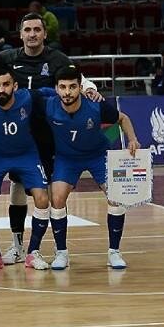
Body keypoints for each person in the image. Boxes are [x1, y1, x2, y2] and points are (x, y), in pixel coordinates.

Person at [0, 13, 100, 265]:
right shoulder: (7, 58)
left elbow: (79, 81)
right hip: (20, 133)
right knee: (18, 186)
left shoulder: (58, 59)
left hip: (50, 133)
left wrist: (90, 89)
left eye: (37, 30)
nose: (32, 34)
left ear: (44, 33)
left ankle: (54, 249)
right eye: (27, 30)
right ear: (21, 34)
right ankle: (17, 244)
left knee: (51, 193)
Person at [46, 65, 140, 270]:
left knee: (115, 197)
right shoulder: (48, 105)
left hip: (98, 155)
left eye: (72, 87)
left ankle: (114, 252)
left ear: (81, 87)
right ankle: (61, 253)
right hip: (66, 158)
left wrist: (132, 139)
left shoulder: (96, 105)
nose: (67, 92)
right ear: (56, 89)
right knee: (57, 198)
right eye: (63, 87)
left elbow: (123, 119)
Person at [0, 66, 53, 272]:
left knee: (42, 198)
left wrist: (87, 90)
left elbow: (51, 91)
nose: (1, 89)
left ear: (15, 86)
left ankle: (33, 252)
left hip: (26, 154)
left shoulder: (28, 97)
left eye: (6, 84)